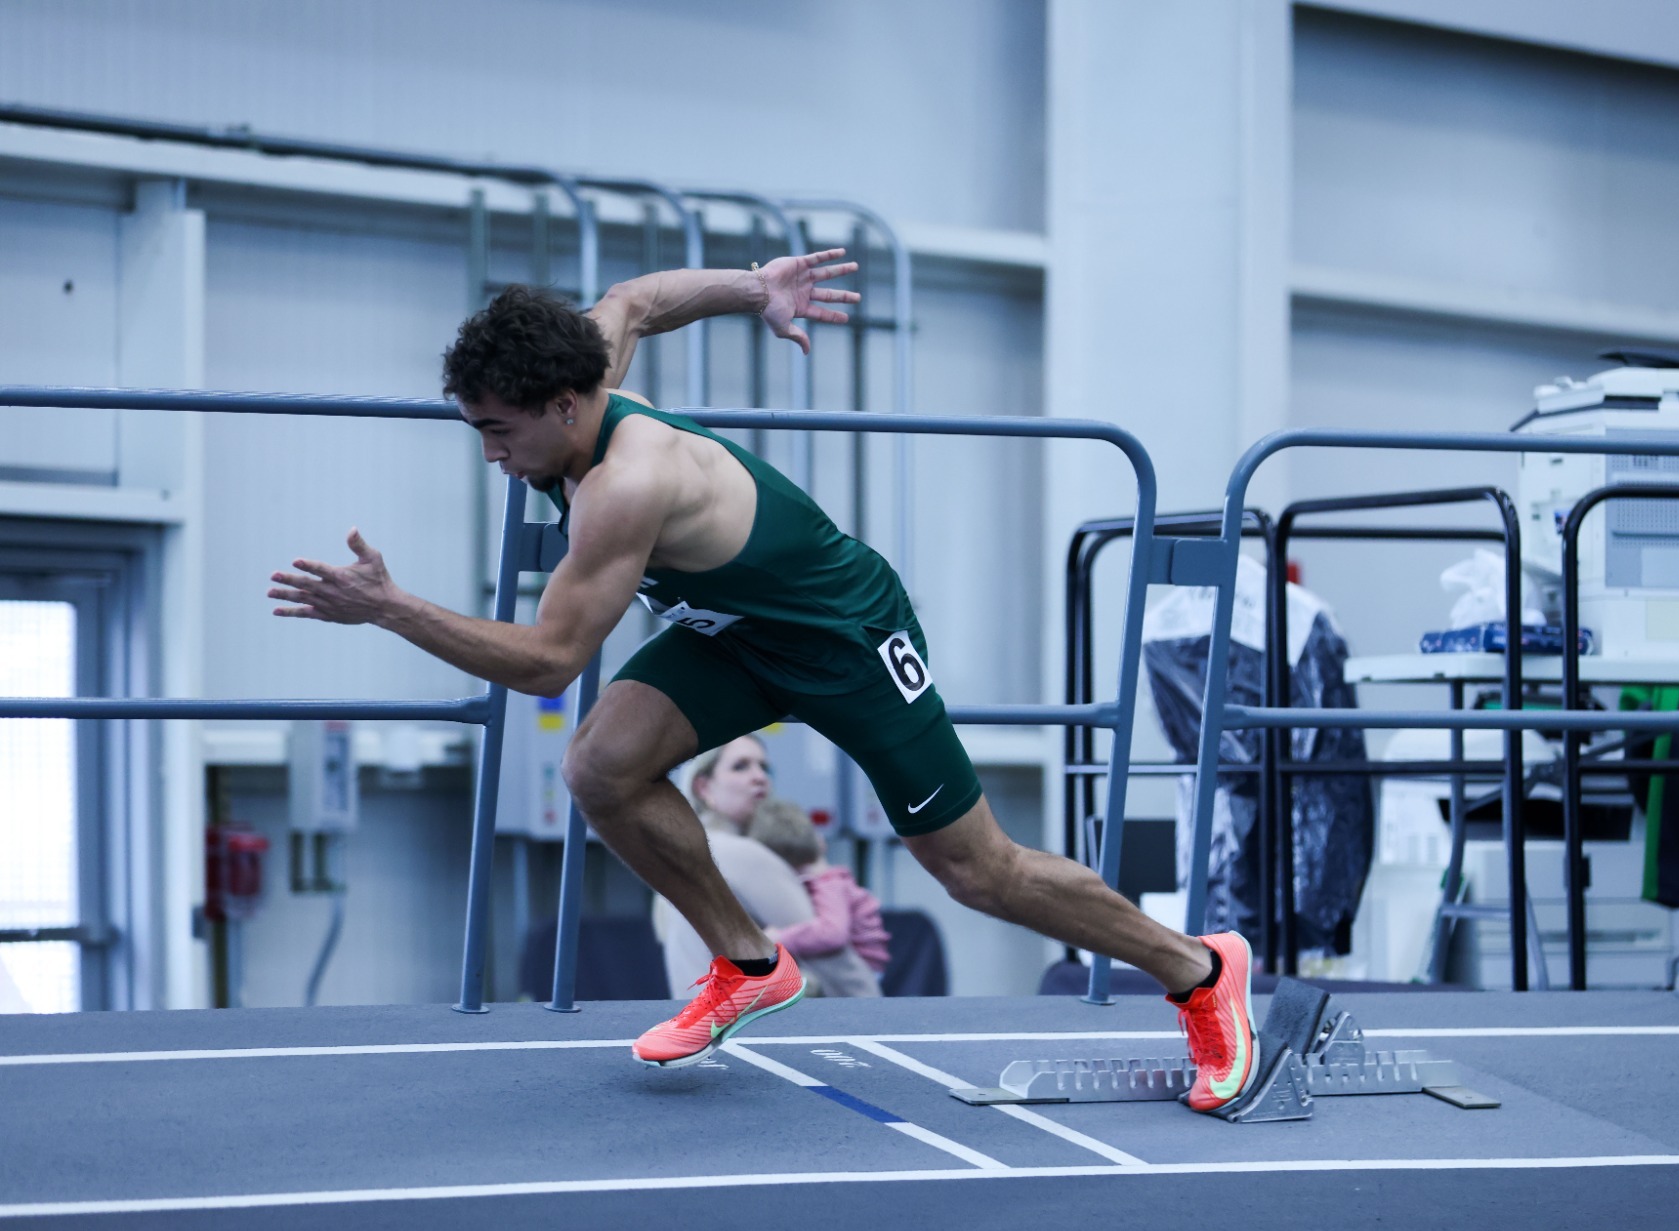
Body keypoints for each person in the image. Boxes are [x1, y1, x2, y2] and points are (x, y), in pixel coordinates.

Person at [268, 251, 1257, 1113]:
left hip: (842, 638)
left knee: (975, 872)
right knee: (600, 769)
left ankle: (1199, 971)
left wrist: (391, 607)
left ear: (565, 406)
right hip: (733, 632)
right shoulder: (585, 363)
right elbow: (634, 297)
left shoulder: (625, 486)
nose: (490, 453)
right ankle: (749, 962)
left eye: (498, 430)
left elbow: (547, 660)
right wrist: (756, 287)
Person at [655, 737, 881, 999]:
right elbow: (838, 966)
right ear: (703, 787)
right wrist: (874, 1010)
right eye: (741, 767)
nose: (759, 777)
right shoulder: (738, 854)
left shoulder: (681, 852)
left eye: (765, 768)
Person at [748, 798, 892, 986]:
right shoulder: (831, 881)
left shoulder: (829, 884)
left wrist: (779, 938)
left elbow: (832, 932)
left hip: (865, 971)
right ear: (821, 843)